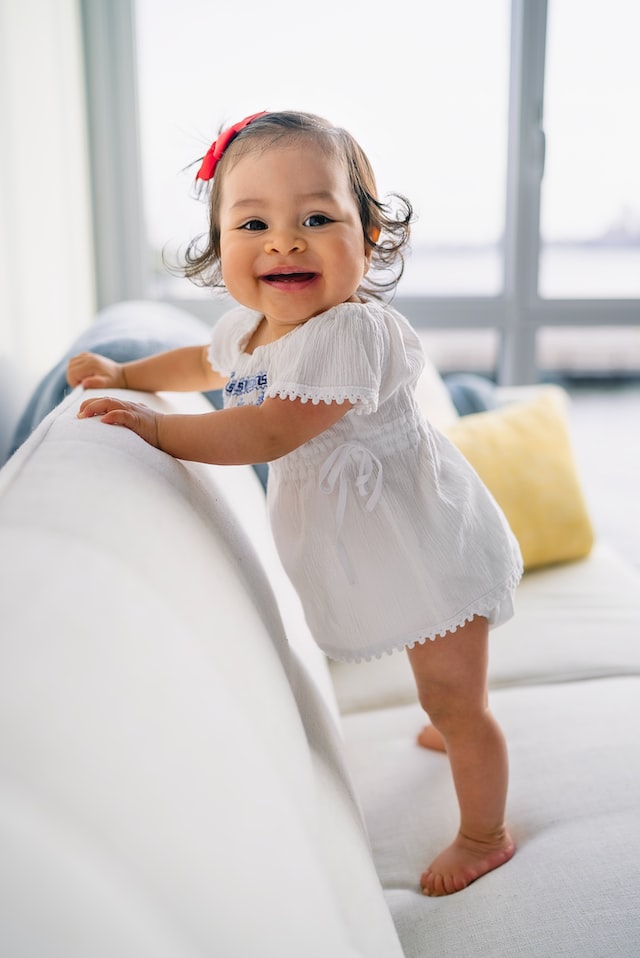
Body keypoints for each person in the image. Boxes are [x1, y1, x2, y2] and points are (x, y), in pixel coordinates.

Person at [68, 110, 523, 897]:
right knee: (441, 689)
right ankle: (448, 717)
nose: (284, 240)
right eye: (254, 222)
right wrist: (129, 375)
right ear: (220, 246)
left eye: (317, 217)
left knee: (457, 695)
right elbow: (199, 364)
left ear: (370, 235)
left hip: (427, 543)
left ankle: (485, 830)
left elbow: (272, 430)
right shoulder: (248, 330)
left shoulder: (352, 332)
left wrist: (157, 431)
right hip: (380, 547)